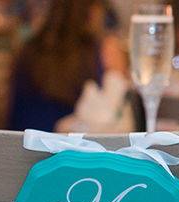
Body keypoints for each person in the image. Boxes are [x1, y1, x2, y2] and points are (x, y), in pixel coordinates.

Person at [7, 0, 125, 132]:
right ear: (92, 11)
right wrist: (116, 76)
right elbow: (105, 121)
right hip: (62, 147)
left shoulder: (28, 51)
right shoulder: (99, 53)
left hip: (20, 144)